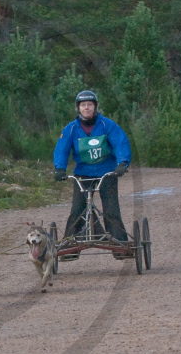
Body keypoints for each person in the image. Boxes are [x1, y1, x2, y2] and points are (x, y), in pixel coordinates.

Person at [53, 90, 131, 244]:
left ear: (95, 107)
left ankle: (120, 243)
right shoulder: (71, 129)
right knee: (77, 210)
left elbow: (120, 142)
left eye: (89, 104)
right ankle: (70, 243)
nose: (86, 108)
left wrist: (122, 162)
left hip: (107, 172)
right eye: (83, 105)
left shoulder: (106, 125)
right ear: (78, 108)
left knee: (111, 210)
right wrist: (59, 168)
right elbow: (62, 149)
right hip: (83, 173)